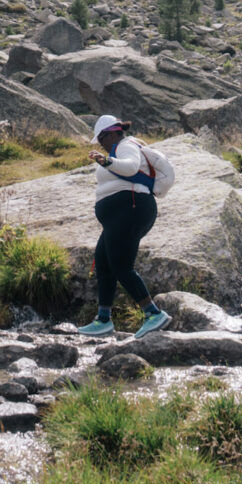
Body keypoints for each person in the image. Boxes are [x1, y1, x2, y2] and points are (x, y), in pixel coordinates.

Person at [77, 114, 171, 339]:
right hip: (120, 214)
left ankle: (153, 313)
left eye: (101, 138)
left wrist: (106, 161)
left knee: (121, 265)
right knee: (103, 262)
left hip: (130, 208)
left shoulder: (125, 145)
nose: (100, 144)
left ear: (111, 134)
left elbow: (130, 167)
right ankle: (103, 320)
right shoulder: (116, 150)